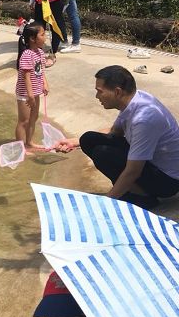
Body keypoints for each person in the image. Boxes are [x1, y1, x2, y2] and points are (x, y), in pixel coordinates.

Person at [55, 65, 179, 209]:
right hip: (152, 163)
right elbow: (115, 132)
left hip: (167, 181)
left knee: (103, 153)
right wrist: (75, 142)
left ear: (117, 92)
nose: (96, 96)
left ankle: (143, 197)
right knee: (87, 139)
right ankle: (129, 190)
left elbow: (133, 170)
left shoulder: (144, 119)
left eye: (99, 92)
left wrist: (107, 202)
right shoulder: (135, 100)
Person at [15, 21, 49, 153]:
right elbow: (26, 77)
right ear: (33, 39)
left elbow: (41, 71)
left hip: (35, 92)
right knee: (24, 120)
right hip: (25, 93)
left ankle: (29, 142)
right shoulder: (26, 55)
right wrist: (29, 95)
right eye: (42, 34)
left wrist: (45, 84)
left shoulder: (40, 52)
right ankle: (20, 147)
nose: (45, 37)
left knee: (33, 118)